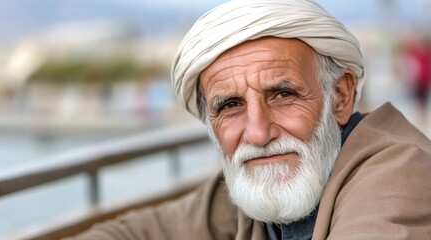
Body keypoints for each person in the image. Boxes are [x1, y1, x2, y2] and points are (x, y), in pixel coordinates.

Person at [67, 0, 431, 239]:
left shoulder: (400, 172)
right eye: (230, 106)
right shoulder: (258, 188)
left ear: (340, 96)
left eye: (283, 95)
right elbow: (133, 233)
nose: (257, 133)